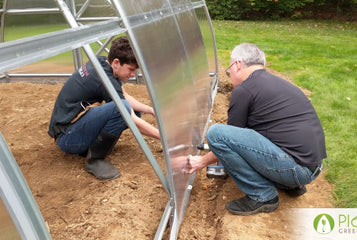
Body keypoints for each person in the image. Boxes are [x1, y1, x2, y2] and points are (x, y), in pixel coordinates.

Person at [187, 43, 326, 215]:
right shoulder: (278, 84)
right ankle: (289, 185)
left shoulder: (244, 90)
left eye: (229, 69)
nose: (230, 75)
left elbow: (226, 138)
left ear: (237, 65)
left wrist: (201, 162)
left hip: (296, 169)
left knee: (216, 133)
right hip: (312, 166)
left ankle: (263, 196)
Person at [48, 36, 160, 181]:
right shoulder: (103, 80)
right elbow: (131, 118)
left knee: (131, 108)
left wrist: (151, 110)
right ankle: (94, 159)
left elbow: (122, 95)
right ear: (116, 62)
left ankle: (90, 146)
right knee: (123, 110)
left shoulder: (102, 63)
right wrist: (164, 138)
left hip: (69, 129)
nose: (133, 75)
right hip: (67, 138)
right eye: (131, 69)